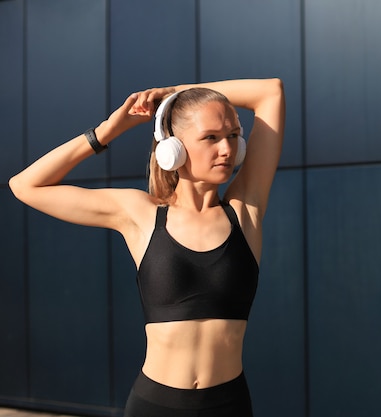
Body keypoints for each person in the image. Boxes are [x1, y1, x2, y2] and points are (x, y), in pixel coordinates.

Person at [9, 78, 285, 417]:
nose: (227, 149)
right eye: (210, 137)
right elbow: (25, 185)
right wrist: (107, 131)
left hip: (228, 405)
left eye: (232, 136)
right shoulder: (140, 214)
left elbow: (270, 92)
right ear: (174, 148)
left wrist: (172, 94)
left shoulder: (246, 210)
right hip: (156, 406)